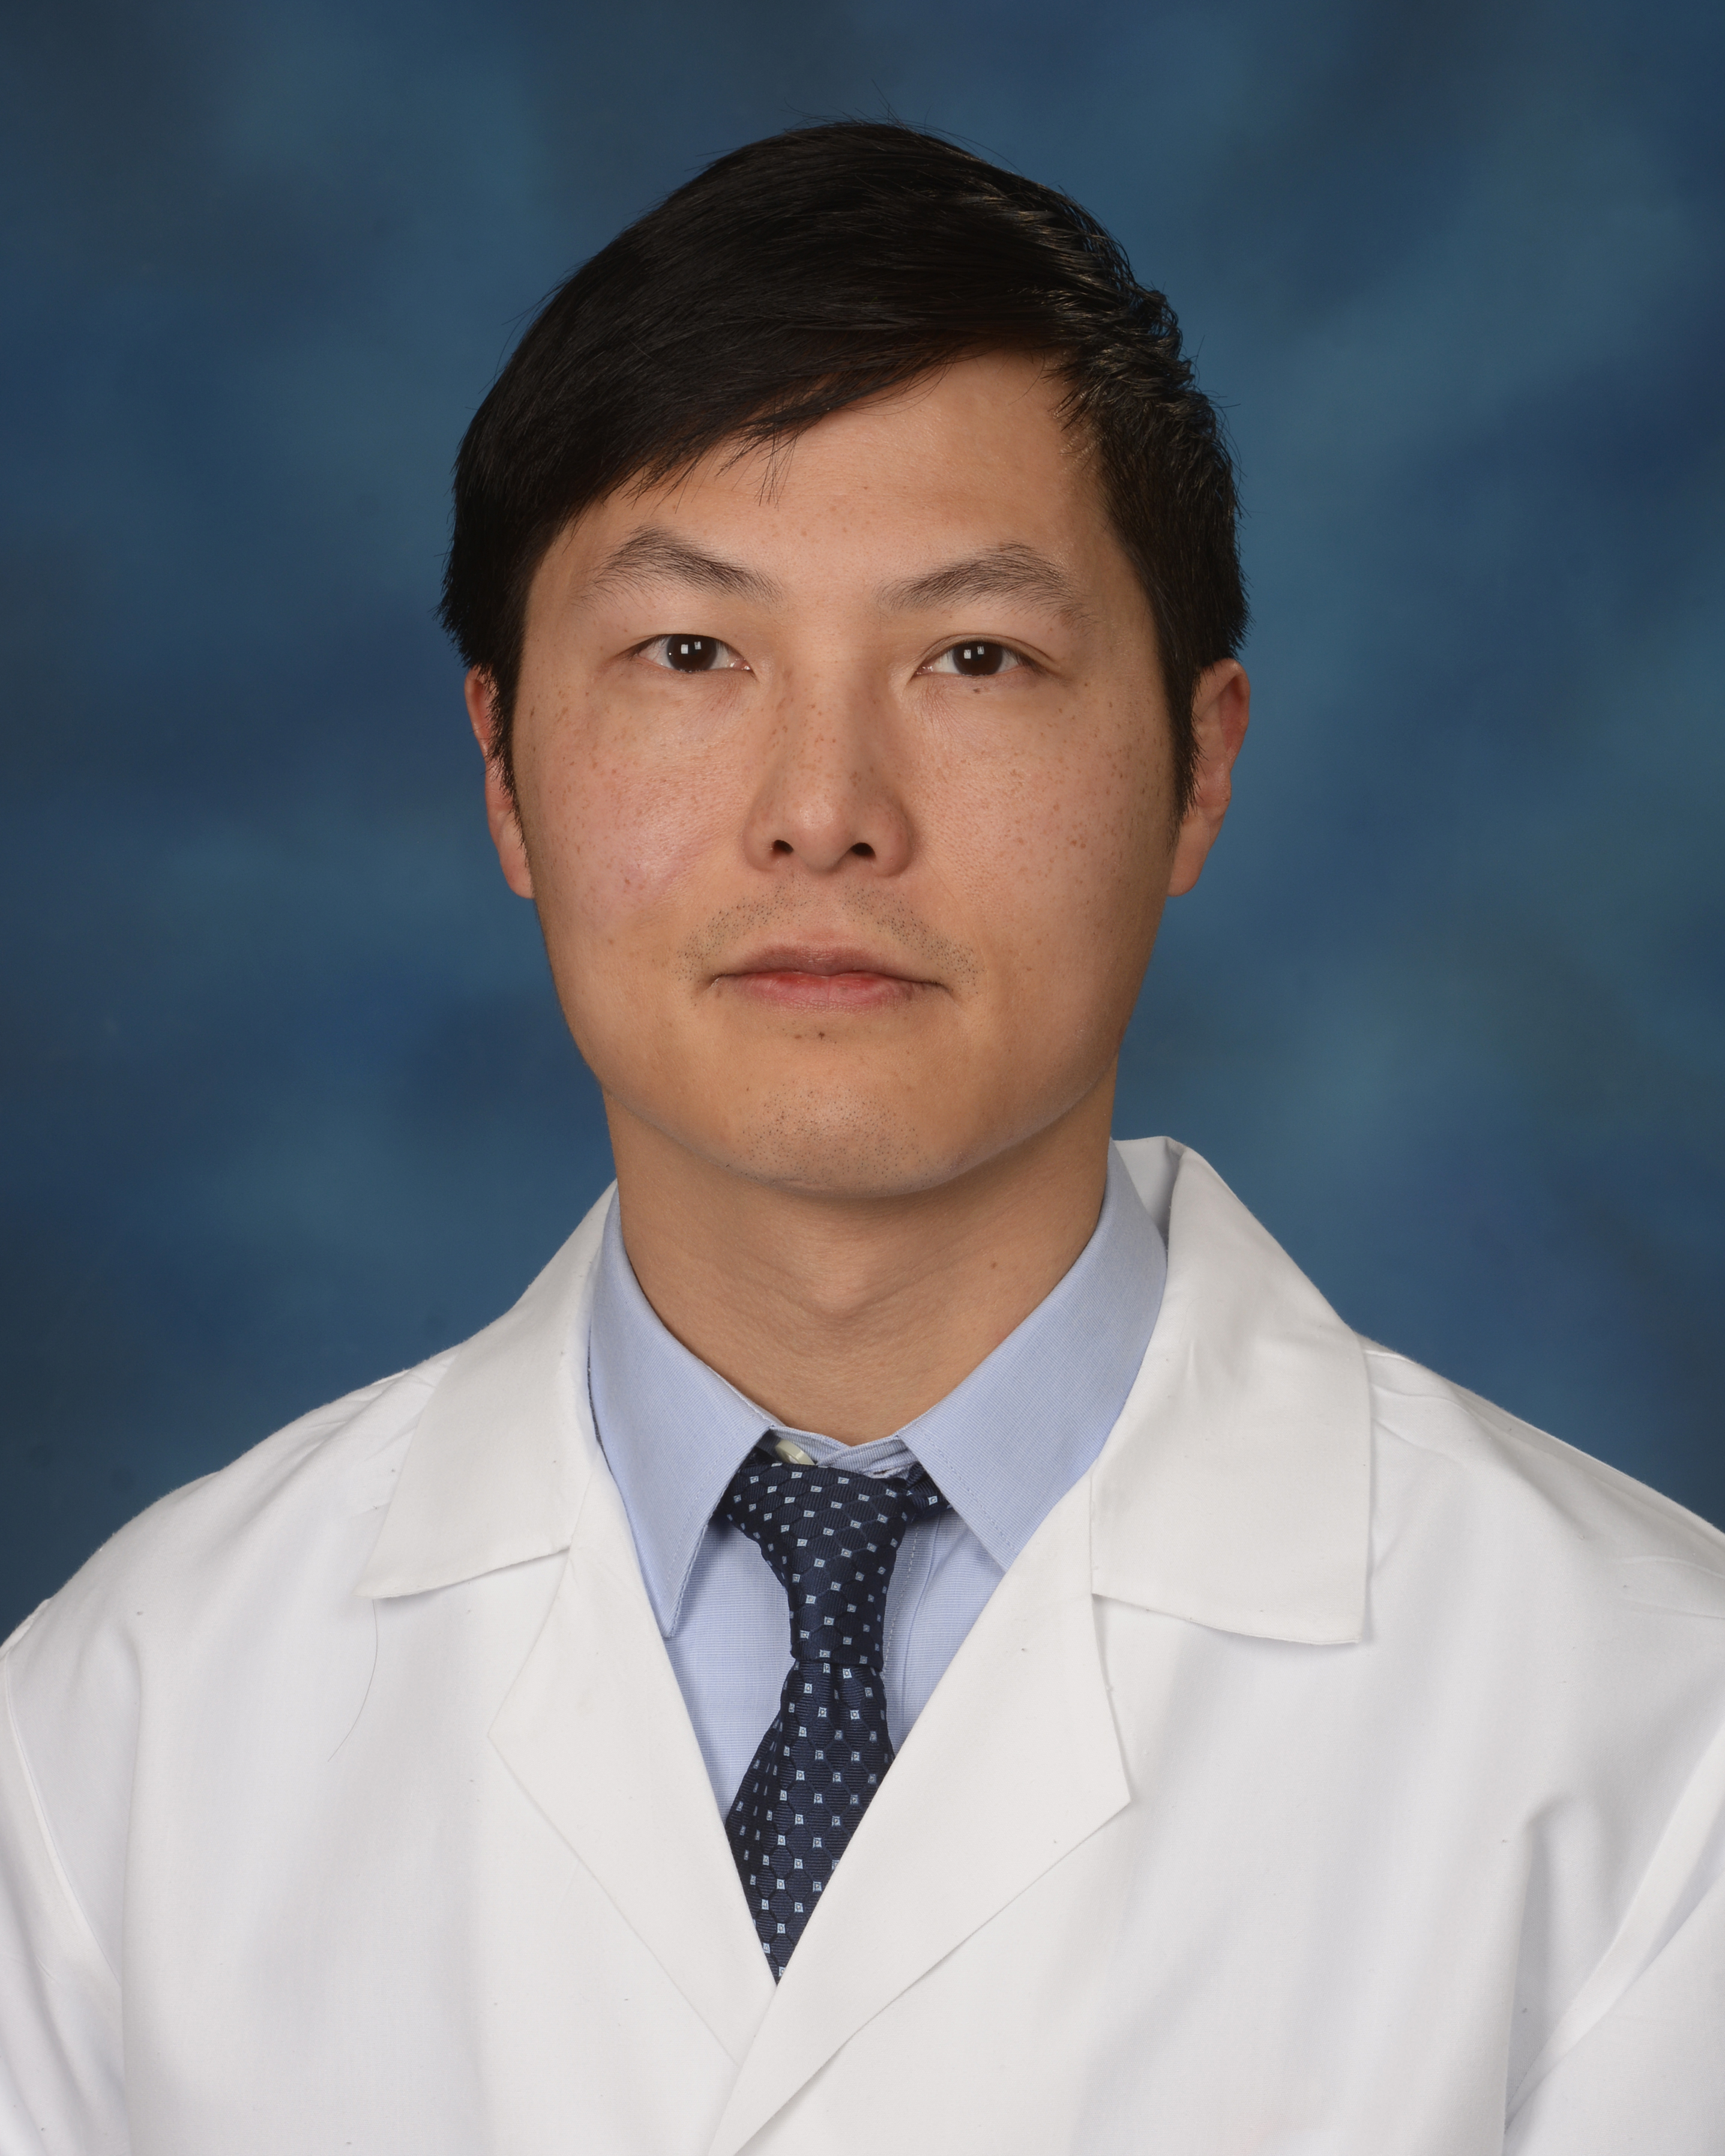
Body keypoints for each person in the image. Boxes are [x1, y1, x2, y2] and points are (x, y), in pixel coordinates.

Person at [1, 121, 1720, 2156]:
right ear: (505, 774)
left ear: (1197, 768)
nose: (823, 810)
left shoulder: (1645, 1738)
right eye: (690, 655)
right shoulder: (127, 1724)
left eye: (973, 658)